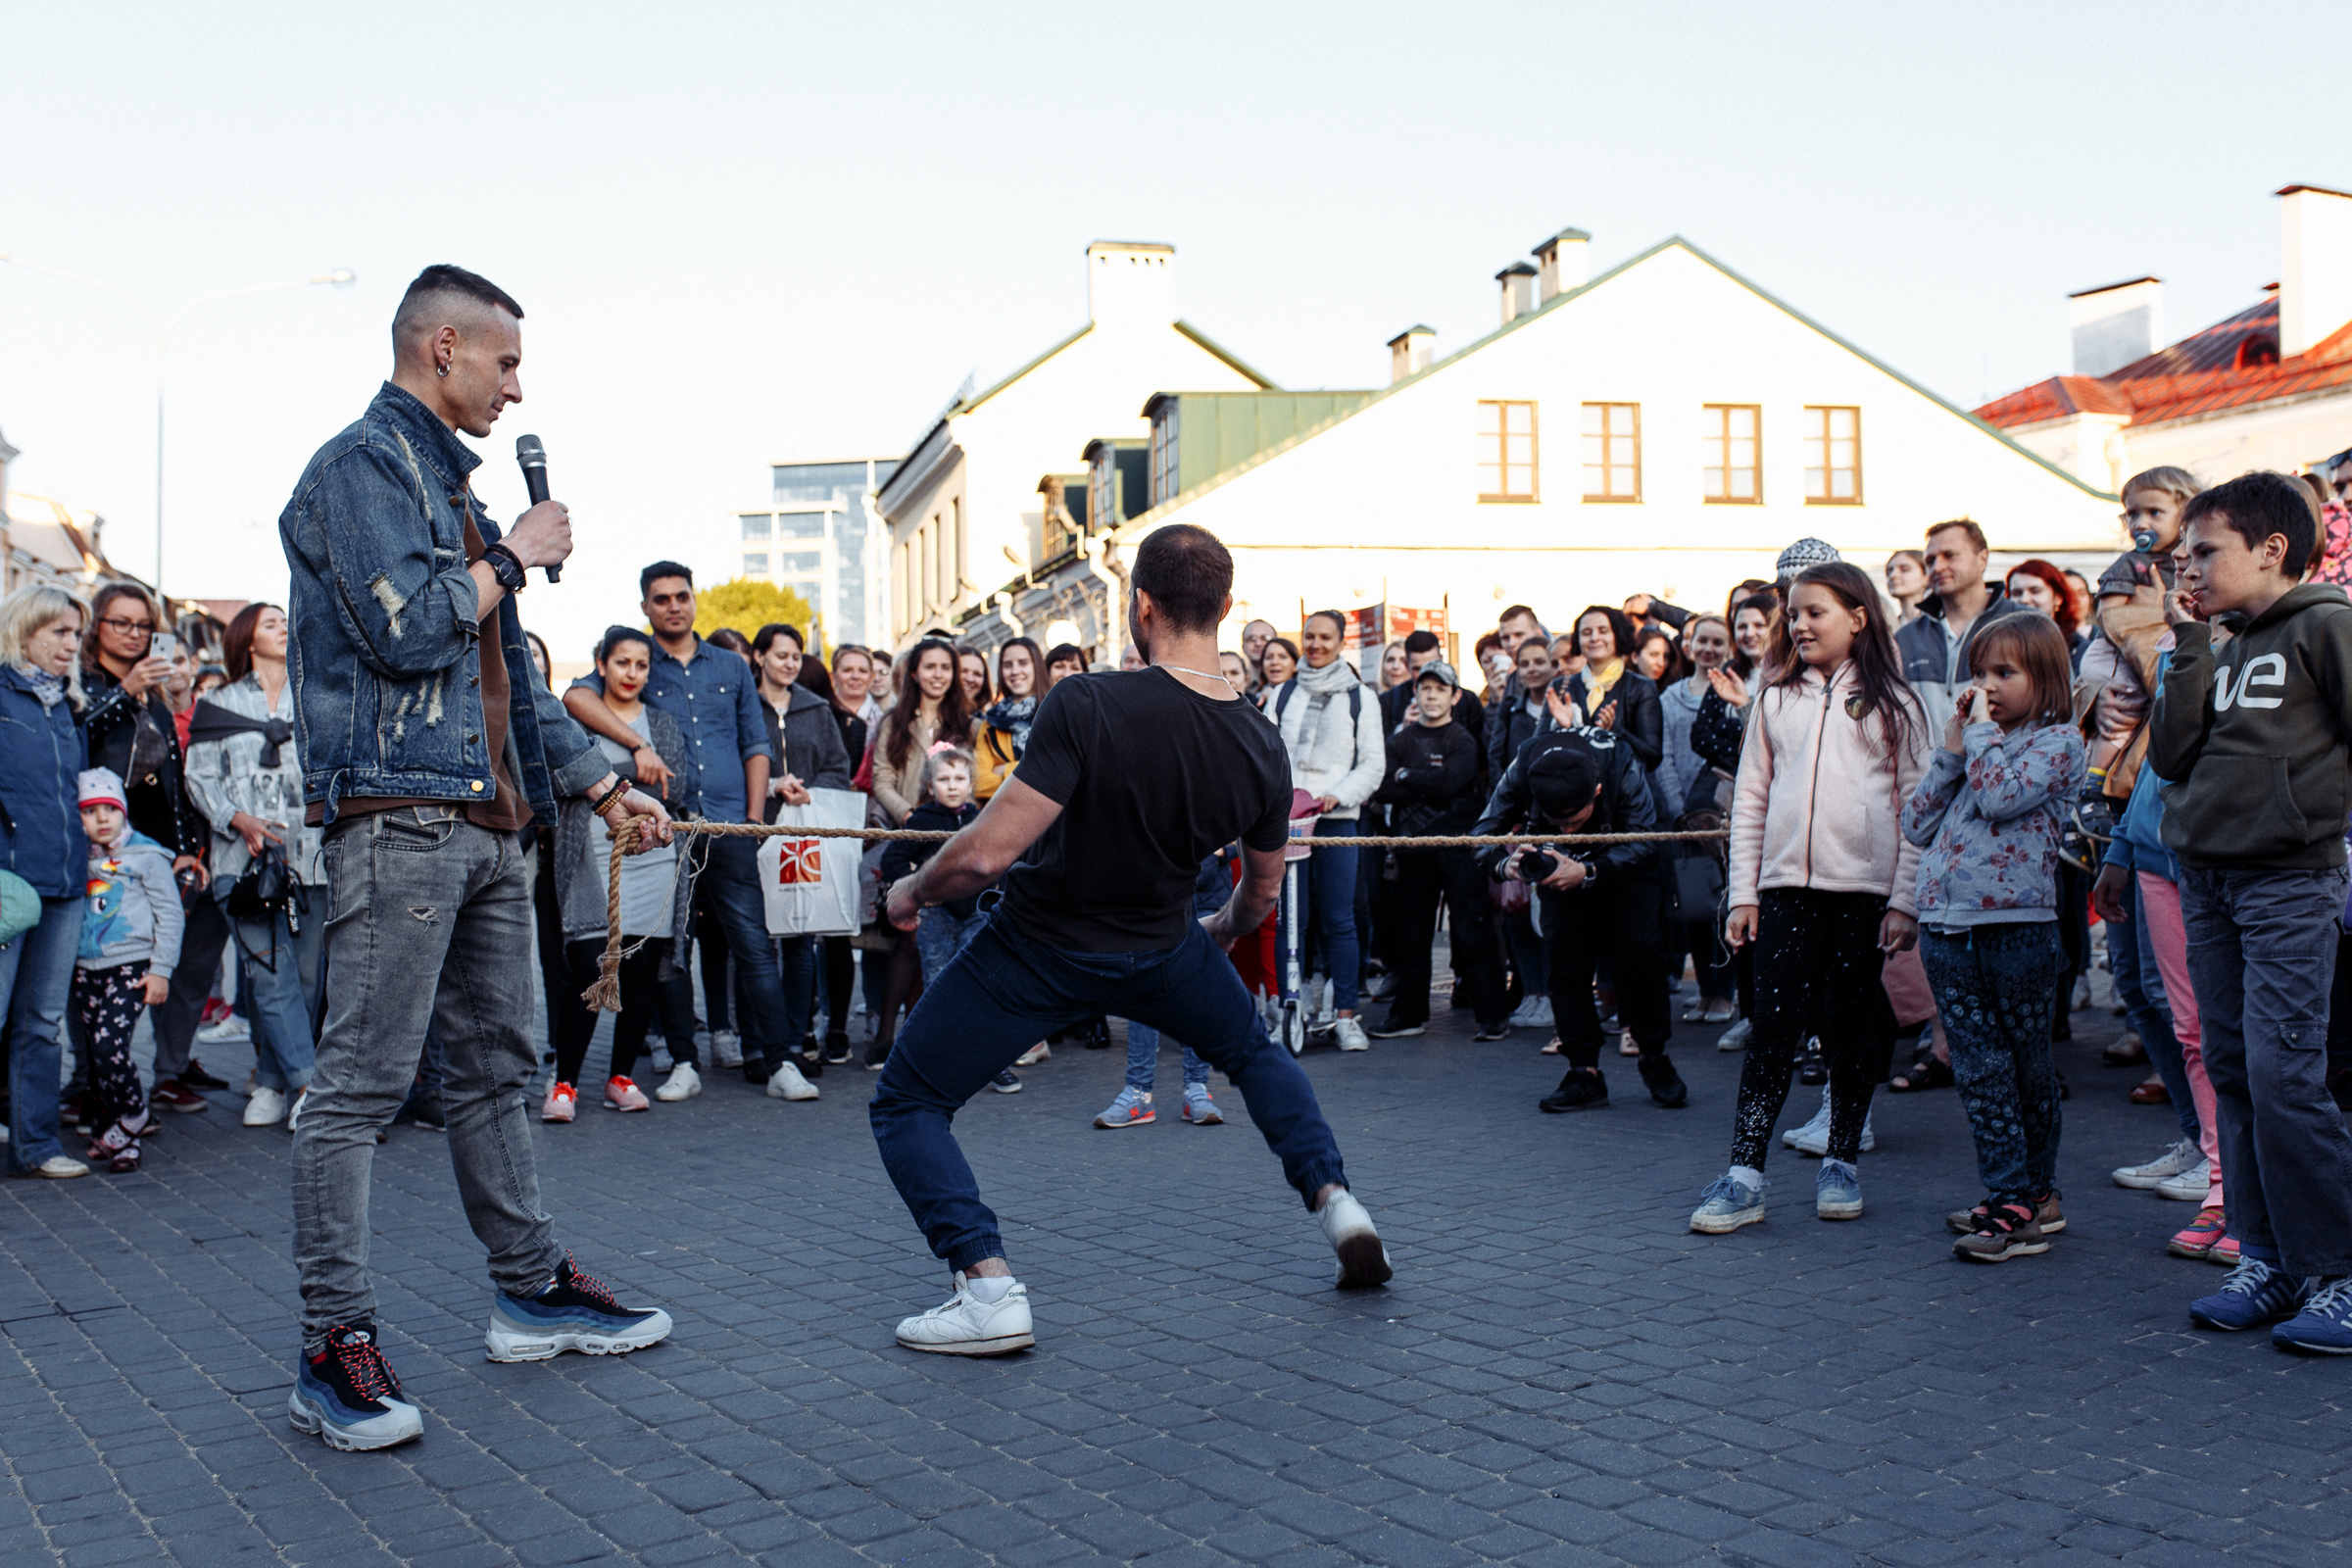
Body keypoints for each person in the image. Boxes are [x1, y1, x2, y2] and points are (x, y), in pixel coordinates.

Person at [279, 264, 675, 1451]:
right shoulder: (360, 469)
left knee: (500, 1066)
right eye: (505, 362)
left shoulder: (455, 492)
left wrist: (601, 785)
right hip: (399, 816)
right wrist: (510, 556)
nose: (517, 386)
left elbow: (512, 682)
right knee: (357, 1085)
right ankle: (331, 1346)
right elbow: (404, 631)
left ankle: (530, 1287)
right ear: (440, 346)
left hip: (494, 824)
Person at [871, 523, 1392, 1355]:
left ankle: (988, 1288)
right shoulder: (1262, 742)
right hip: (1163, 945)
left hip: (1038, 947)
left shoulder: (1088, 702)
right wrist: (1216, 931)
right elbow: (1262, 891)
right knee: (1256, 1057)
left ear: (1140, 606)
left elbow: (985, 853)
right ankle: (1339, 1204)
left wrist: (909, 889)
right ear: (1224, 609)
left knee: (906, 1101)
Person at [2148, 471, 2352, 1352]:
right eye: (2183, 553)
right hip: (2208, 882)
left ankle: (2339, 1271)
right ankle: (2267, 1258)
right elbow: (2170, 754)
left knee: (2286, 1077)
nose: (2185, 568)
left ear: (2272, 550)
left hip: (2288, 884)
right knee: (2232, 1070)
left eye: (2205, 551)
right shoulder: (2215, 641)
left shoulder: (2328, 625)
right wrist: (2189, 646)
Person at [1692, 563, 1928, 1235]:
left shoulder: (1898, 704)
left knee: (1851, 1027)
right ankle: (1744, 1174)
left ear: (1857, 617)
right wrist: (1745, 892)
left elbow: (1917, 808)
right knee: (1773, 1028)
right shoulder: (1773, 697)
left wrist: (1903, 900)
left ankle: (1842, 1160)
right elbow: (1751, 799)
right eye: (1792, 614)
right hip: (1785, 889)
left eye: (1813, 612)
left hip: (1863, 895)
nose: (1798, 624)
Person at [567, 564, 809, 1097]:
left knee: (753, 944)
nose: (674, 606)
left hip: (729, 825)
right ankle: (684, 1062)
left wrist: (752, 820)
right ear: (646, 608)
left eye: (682, 596)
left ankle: (778, 1062)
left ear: (694, 600)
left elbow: (755, 742)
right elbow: (574, 700)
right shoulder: (638, 660)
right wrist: (637, 746)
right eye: (661, 599)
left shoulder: (731, 664)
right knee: (671, 950)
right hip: (665, 829)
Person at [1901, 615, 2085, 1261]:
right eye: (1980, 673)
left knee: (2026, 1065)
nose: (1987, 687)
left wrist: (1977, 738)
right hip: (1949, 932)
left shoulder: (2058, 743)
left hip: (2018, 931)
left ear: (2047, 678)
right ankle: (2012, 1192)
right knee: (1979, 1067)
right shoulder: (1976, 746)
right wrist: (1951, 749)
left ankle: (2030, 1195)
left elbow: (2001, 797)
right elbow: (1916, 824)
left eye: (2005, 673)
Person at [1474, 727, 1686, 1109]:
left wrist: (1589, 872)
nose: (1567, 831)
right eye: (1557, 822)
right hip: (1558, 879)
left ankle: (1654, 1057)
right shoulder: (1524, 764)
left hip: (1628, 872)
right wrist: (1507, 866)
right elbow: (1478, 836)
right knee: (1565, 967)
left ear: (1598, 792)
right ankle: (1583, 1071)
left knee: (1641, 958)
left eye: (1574, 820)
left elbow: (1646, 842)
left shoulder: (1621, 764)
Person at [80, 582, 227, 1116]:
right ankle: (90, 1081)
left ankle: (168, 1071)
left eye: (142, 625)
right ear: (97, 625)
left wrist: (189, 848)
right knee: (99, 968)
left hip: (163, 853)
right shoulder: (83, 685)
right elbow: (79, 748)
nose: (134, 634)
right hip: (103, 856)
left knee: (185, 963)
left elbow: (173, 777)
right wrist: (124, 692)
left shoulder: (158, 698)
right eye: (121, 623)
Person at [183, 604, 324, 1130]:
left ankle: (269, 1083)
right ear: (246, 639)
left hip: (310, 858)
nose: (284, 627)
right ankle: (309, 1087)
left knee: (307, 977)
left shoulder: (314, 697)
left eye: (287, 620)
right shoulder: (217, 704)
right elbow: (199, 779)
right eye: (271, 623)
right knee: (269, 976)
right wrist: (237, 819)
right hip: (241, 863)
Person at [549, 627, 699, 1117]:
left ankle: (620, 1076)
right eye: (622, 663)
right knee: (591, 965)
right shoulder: (577, 718)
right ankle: (564, 1084)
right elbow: (561, 778)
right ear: (601, 664)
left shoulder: (661, 721)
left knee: (641, 971)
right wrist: (631, 775)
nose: (631, 674)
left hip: (654, 858)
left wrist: (623, 784)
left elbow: (674, 785)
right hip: (593, 858)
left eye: (641, 665)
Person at [0, 586, 96, 1178]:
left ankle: (36, 1146)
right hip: (9, 886)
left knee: (41, 1021)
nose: (72, 643)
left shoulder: (69, 704)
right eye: (61, 631)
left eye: (76, 634)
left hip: (65, 885)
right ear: (27, 627)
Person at [1367, 660, 1507, 1040]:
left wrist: (1407, 776)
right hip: (1413, 850)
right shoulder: (1400, 740)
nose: (1431, 695)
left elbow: (1452, 781)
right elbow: (1381, 786)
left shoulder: (1462, 739)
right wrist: (1421, 780)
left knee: (1472, 929)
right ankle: (1409, 1015)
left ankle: (1492, 1015)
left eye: (1440, 689)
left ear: (1454, 696)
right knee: (1411, 934)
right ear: (1416, 692)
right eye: (1425, 688)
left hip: (1459, 848)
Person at [1271, 610, 1387, 1050]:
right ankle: (1292, 1007)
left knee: (1340, 919)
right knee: (1289, 921)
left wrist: (1338, 795)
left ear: (1341, 643)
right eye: (1309, 636)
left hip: (1338, 820)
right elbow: (1265, 756)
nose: (1316, 645)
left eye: (1326, 638)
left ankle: (1345, 1014)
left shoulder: (1361, 697)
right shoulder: (1281, 694)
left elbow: (1372, 762)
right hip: (1288, 822)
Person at [877, 749, 1016, 1095]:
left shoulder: (981, 817)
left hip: (976, 915)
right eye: (943, 779)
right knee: (939, 988)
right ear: (929, 785)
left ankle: (990, 1063)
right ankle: (935, 1065)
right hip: (936, 917)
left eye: (959, 779)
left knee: (980, 988)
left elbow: (1003, 858)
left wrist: (997, 888)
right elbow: (893, 860)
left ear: (971, 784)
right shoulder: (922, 820)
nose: (952, 787)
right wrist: (919, 891)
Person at [865, 639, 973, 1066]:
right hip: (909, 839)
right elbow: (882, 777)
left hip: (955, 840)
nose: (938, 675)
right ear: (914, 672)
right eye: (930, 667)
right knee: (907, 942)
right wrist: (911, 816)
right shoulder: (896, 720)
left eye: (946, 667)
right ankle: (885, 1035)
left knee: (945, 947)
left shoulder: (964, 721)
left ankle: (941, 1039)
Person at [70, 766, 182, 1172]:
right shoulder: (76, 858)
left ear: (123, 811)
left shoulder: (147, 856)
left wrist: (161, 970)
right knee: (97, 1057)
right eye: (90, 810)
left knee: (109, 1045)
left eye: (110, 809)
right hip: (85, 970)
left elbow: (171, 915)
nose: (102, 819)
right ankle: (121, 1143)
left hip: (130, 967)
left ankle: (135, 1113)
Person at [1661, 614, 1737, 1025]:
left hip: (1722, 817)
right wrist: (1678, 811)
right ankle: (1705, 994)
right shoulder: (1669, 697)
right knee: (1693, 908)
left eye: (1717, 642)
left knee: (1723, 910)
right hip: (1683, 819)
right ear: (1689, 646)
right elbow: (1664, 759)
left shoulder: (1732, 691)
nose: (1709, 648)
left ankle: (1724, 996)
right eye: (1701, 641)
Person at [1894, 520, 2034, 735]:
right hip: (1931, 768)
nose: (1937, 567)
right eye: (1930, 560)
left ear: (1982, 559)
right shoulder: (1906, 637)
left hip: (2008, 765)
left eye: (1949, 555)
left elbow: (2057, 708)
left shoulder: (2027, 624)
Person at [1560, 606, 1663, 770]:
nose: (1594, 638)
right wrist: (1560, 728)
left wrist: (1615, 730)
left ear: (1618, 635)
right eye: (1586, 632)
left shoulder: (1641, 687)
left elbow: (1653, 758)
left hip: (1625, 791)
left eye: (1603, 631)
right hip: (1574, 789)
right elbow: (1537, 748)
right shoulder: (1561, 686)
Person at [972, 637, 1042, 801]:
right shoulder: (990, 723)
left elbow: (1057, 771)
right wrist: (1032, 772)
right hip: (1008, 816)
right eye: (1008, 665)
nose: (1015, 671)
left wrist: (1005, 770)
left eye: (1023, 663)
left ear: (1036, 666)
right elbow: (979, 784)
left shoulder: (1054, 713)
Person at [2004, 559, 2082, 651]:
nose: (2024, 599)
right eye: (2017, 593)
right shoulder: (1997, 643)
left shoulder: (2078, 648)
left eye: (2035, 591)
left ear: (2058, 598)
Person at [1885, 551, 1930, 625]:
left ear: (1926, 577)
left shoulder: (1938, 623)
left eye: (1904, 569)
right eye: (1889, 571)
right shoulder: (1889, 626)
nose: (1892, 576)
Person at [956, 645, 992, 710]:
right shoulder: (935, 716)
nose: (970, 679)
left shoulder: (988, 718)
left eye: (977, 674)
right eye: (963, 671)